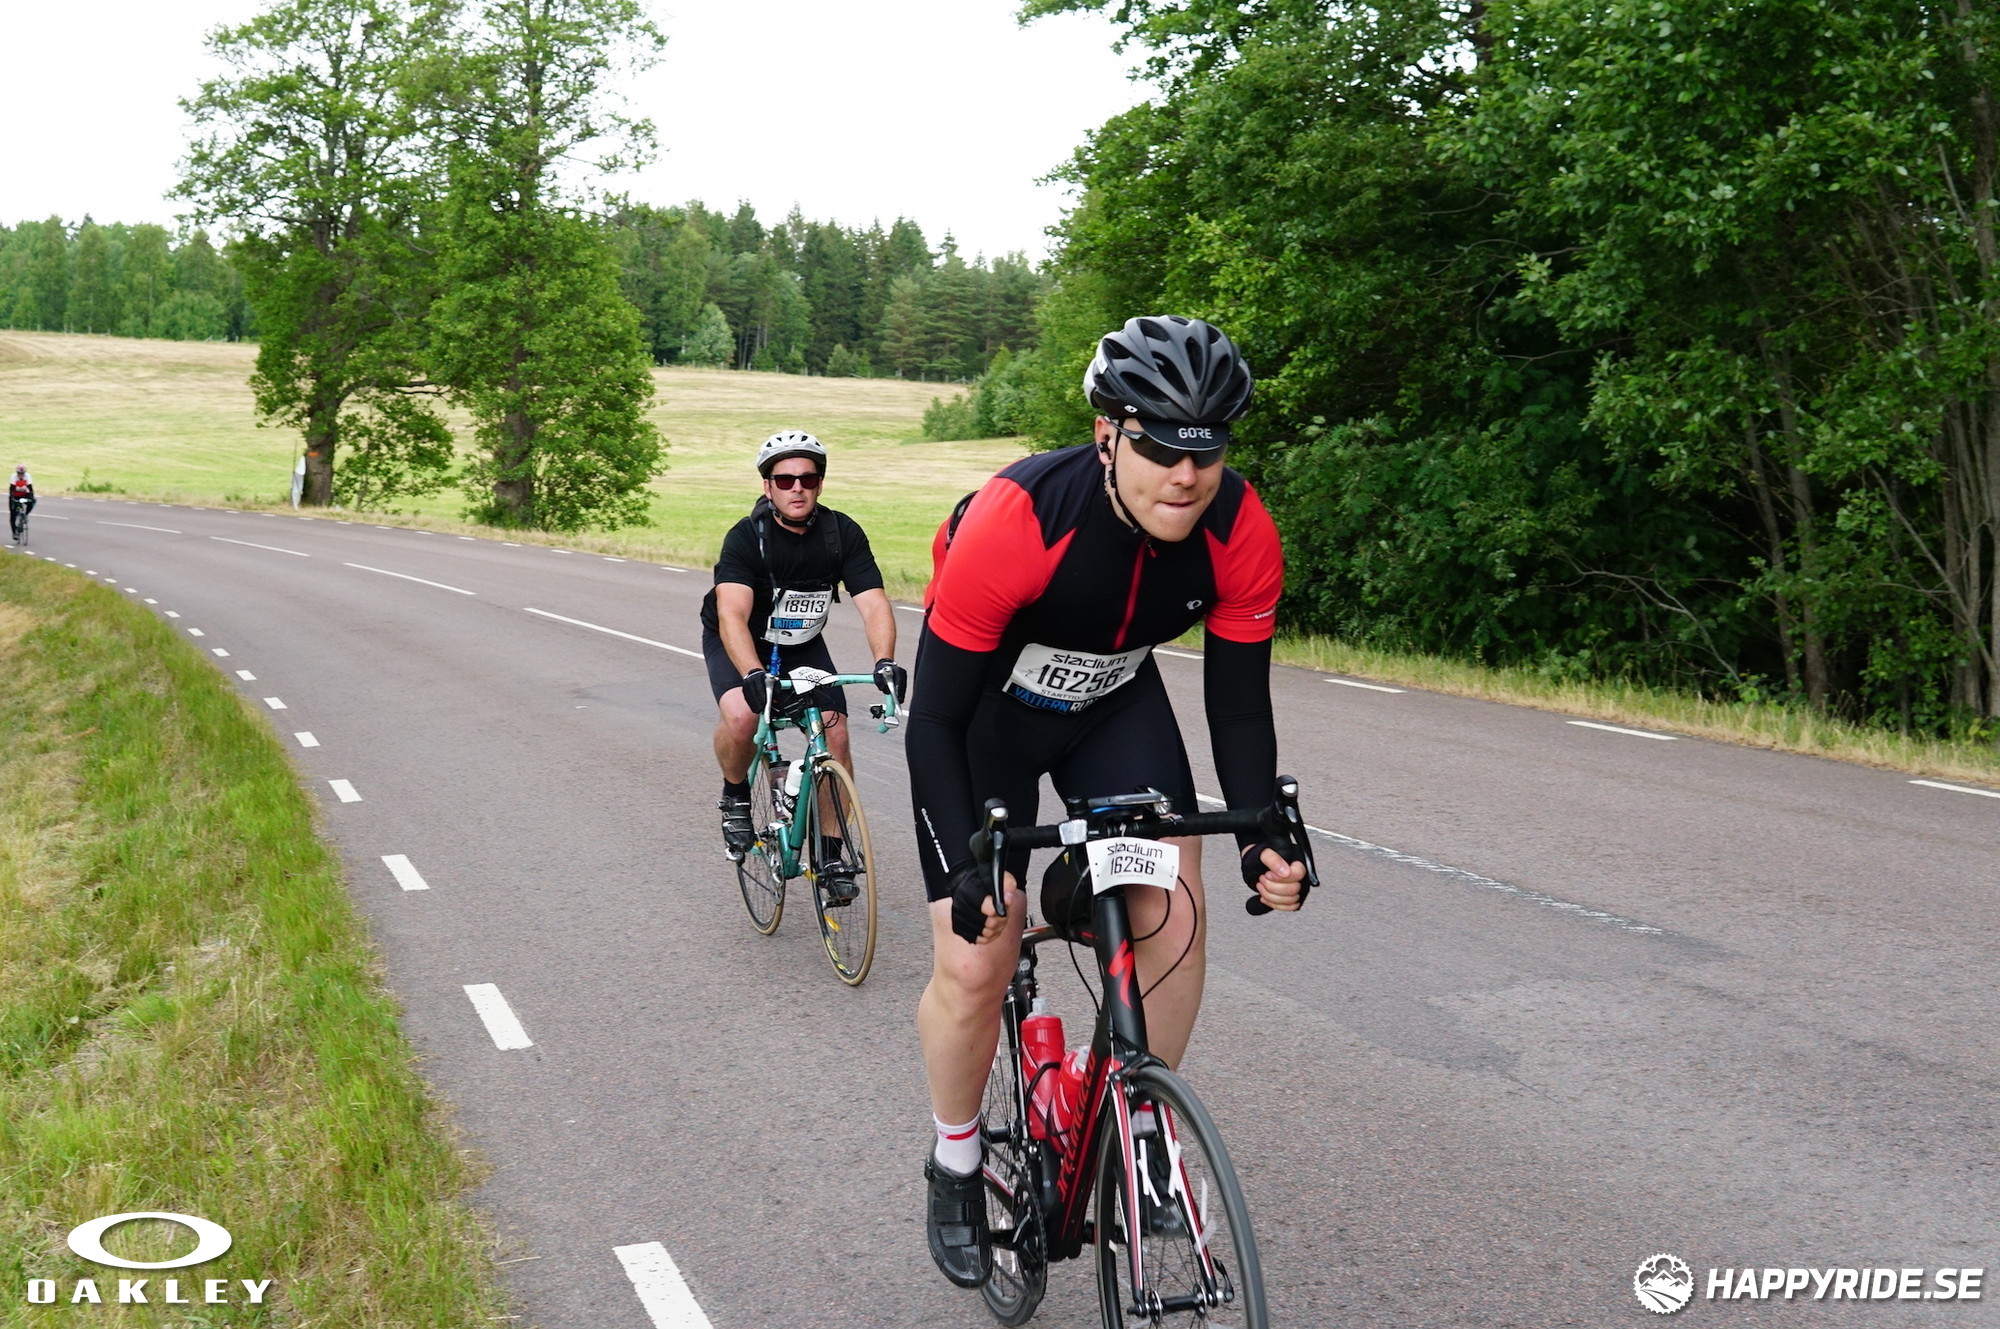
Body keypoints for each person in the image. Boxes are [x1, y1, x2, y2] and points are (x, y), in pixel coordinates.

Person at [903, 316, 1311, 1288]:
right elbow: (935, 721)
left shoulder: (1240, 531)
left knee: (1176, 906)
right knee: (977, 952)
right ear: (1106, 435)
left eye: (1206, 449)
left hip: (1113, 703)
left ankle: (1142, 1126)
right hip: (989, 719)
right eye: (1160, 446)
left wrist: (1260, 833)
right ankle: (954, 1159)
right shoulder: (1018, 520)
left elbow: (1238, 707)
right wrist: (965, 867)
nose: (1185, 474)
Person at [700, 430, 906, 897]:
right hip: (743, 641)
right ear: (768, 486)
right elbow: (731, 614)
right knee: (742, 716)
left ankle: (830, 855)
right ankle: (735, 795)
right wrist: (752, 673)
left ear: (820, 484)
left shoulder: (841, 533)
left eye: (808, 479)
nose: (797, 488)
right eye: (785, 479)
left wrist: (885, 661)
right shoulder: (746, 538)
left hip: (802, 645)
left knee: (836, 735)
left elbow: (873, 603)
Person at [8, 466, 33, 540]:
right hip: (15, 495)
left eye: (22, 474)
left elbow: (30, 489)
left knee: (32, 502)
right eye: (19, 473)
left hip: (25, 495)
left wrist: (31, 498)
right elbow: (11, 490)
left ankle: (25, 514)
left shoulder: (28, 476)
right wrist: (12, 499)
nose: (21, 475)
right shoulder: (13, 477)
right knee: (13, 515)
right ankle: (14, 533)